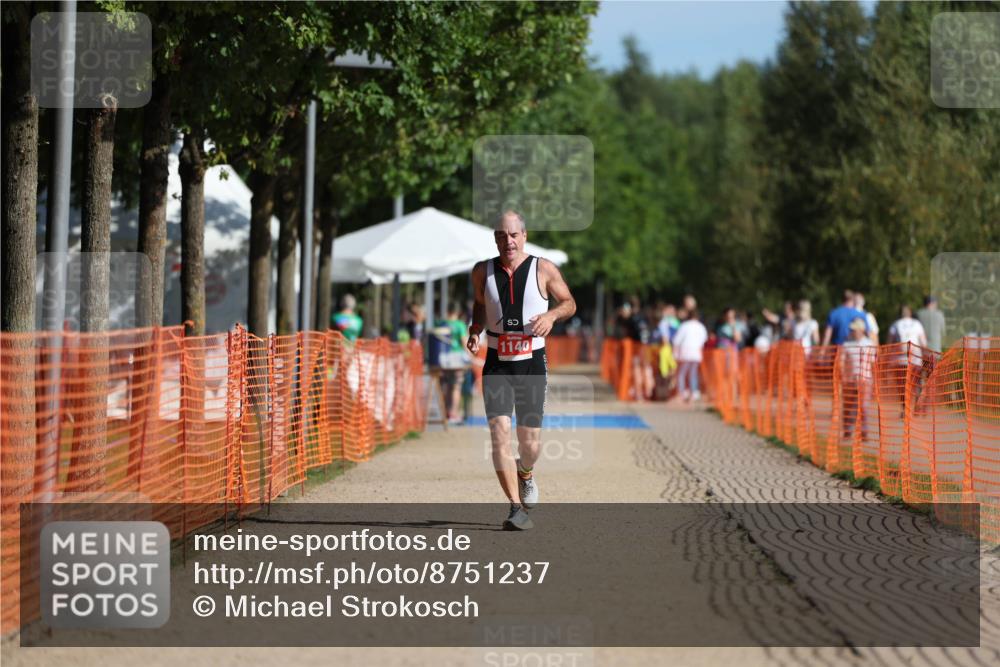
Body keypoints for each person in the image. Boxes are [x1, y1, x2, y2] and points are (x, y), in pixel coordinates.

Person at [467, 210, 576, 531]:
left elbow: (569, 302)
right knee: (499, 433)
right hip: (497, 362)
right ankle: (515, 508)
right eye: (501, 236)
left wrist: (552, 316)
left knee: (529, 443)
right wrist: (475, 331)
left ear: (524, 236)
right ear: (495, 239)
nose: (508, 241)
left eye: (513, 235)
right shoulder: (481, 271)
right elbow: (479, 304)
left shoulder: (543, 268)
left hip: (531, 362)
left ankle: (525, 472)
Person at [839, 317, 877, 442]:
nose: (852, 331)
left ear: (861, 330)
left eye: (855, 329)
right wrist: (843, 377)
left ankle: (864, 431)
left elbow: (873, 363)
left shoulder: (869, 344)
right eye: (852, 329)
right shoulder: (846, 344)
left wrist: (875, 381)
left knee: (864, 407)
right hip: (850, 380)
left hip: (865, 379)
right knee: (848, 406)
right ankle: (847, 431)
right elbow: (842, 362)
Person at [441, 304, 470, 424]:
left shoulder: (442, 324)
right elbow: (464, 342)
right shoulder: (460, 325)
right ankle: (453, 413)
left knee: (447, 386)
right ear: (457, 313)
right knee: (456, 387)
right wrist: (469, 355)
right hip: (458, 359)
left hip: (445, 358)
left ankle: (446, 412)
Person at [671, 309, 708, 402]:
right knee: (693, 373)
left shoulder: (685, 326)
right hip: (696, 353)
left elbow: (677, 340)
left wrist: (674, 353)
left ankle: (681, 392)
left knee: (682, 373)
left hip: (685, 352)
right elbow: (704, 340)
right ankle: (693, 392)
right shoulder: (701, 327)